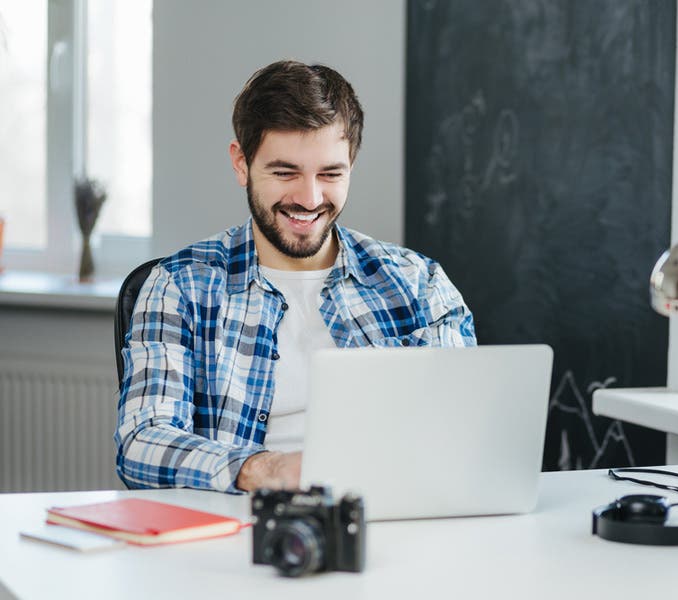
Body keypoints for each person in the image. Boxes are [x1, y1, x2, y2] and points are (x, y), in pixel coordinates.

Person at [115, 60, 476, 494]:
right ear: (241, 163)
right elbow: (142, 441)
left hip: (396, 520)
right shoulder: (179, 286)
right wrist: (264, 470)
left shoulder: (420, 285)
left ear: (352, 164)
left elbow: (463, 430)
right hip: (245, 530)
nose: (309, 198)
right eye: (285, 172)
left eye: (330, 173)